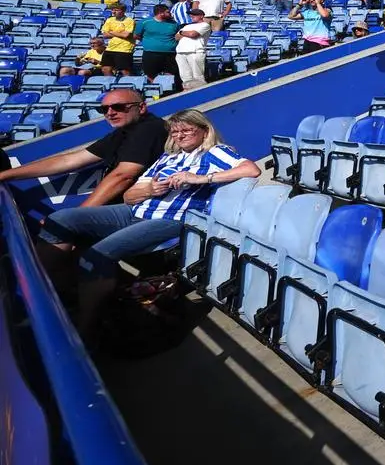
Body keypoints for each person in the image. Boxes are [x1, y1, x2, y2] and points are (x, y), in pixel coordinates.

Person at [38, 109, 259, 336]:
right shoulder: (168, 157)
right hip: (135, 210)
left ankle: (86, 327)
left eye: (186, 130)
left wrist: (201, 178)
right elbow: (128, 196)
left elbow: (251, 169)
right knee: (60, 219)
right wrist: (149, 190)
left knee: (95, 256)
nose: (179, 136)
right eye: (175, 132)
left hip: (172, 218)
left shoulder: (215, 153)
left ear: (204, 131)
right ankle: (43, 290)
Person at [0, 88, 168, 208]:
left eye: (118, 107)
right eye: (104, 109)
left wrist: (76, 217)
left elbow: (123, 175)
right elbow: (69, 160)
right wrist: (5, 175)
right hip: (120, 206)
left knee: (57, 235)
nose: (110, 113)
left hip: (138, 208)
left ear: (141, 107)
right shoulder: (123, 131)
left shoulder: (149, 129)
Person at [134, 4, 182, 89]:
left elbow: (178, 35)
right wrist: (149, 42)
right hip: (151, 53)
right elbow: (136, 36)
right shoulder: (145, 22)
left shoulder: (174, 24)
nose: (170, 13)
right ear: (161, 13)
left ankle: (168, 91)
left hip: (170, 54)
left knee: (171, 73)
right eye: (168, 12)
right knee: (151, 74)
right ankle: (154, 91)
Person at [175, 7, 211, 90]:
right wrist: (184, 33)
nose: (192, 16)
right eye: (191, 15)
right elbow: (176, 37)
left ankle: (201, 94)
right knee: (185, 77)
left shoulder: (205, 25)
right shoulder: (187, 26)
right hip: (181, 52)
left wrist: (182, 32)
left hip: (195, 52)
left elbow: (193, 34)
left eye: (195, 15)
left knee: (198, 77)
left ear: (201, 16)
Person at [99, 3, 136, 77]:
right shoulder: (109, 20)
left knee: (124, 71)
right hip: (110, 48)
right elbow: (105, 35)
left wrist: (111, 32)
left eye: (116, 10)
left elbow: (126, 35)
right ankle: (111, 85)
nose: (113, 12)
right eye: (112, 10)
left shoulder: (129, 21)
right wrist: (119, 33)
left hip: (124, 49)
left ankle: (127, 87)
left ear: (123, 11)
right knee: (105, 69)